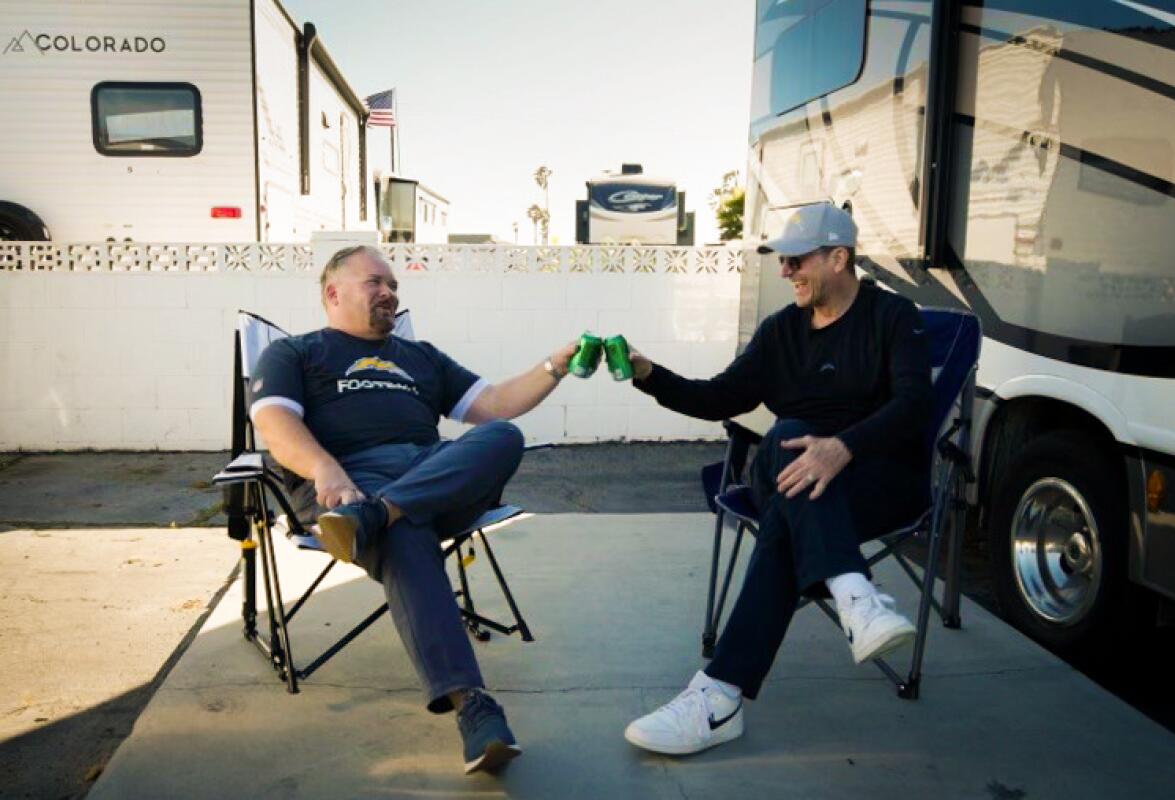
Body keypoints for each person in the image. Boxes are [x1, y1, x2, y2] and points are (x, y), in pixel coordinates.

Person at [249, 245, 577, 774]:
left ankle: (380, 516)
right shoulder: (295, 354)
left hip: (428, 478)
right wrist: (327, 471)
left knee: (501, 437)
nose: (390, 293)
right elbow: (275, 426)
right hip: (349, 483)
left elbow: (493, 405)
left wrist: (552, 366)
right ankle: (473, 706)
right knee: (403, 537)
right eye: (375, 282)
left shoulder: (421, 357)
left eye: (394, 285)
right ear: (333, 294)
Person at [622, 203, 933, 755]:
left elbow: (915, 405)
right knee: (787, 438)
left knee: (785, 527)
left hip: (876, 479)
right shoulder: (780, 332)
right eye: (782, 262)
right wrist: (649, 375)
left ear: (839, 258)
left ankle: (717, 699)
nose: (785, 272)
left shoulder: (893, 316)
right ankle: (855, 594)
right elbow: (718, 396)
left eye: (795, 260)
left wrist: (843, 448)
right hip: (794, 474)